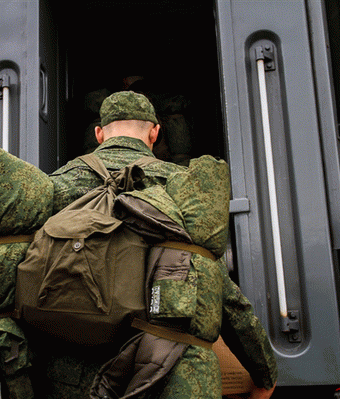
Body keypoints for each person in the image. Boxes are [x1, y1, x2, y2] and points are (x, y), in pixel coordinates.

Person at [33, 91, 277, 398]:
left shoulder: (57, 184)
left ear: (98, 134)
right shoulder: (180, 184)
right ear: (155, 132)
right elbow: (211, 279)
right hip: (158, 367)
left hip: (70, 374)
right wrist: (262, 370)